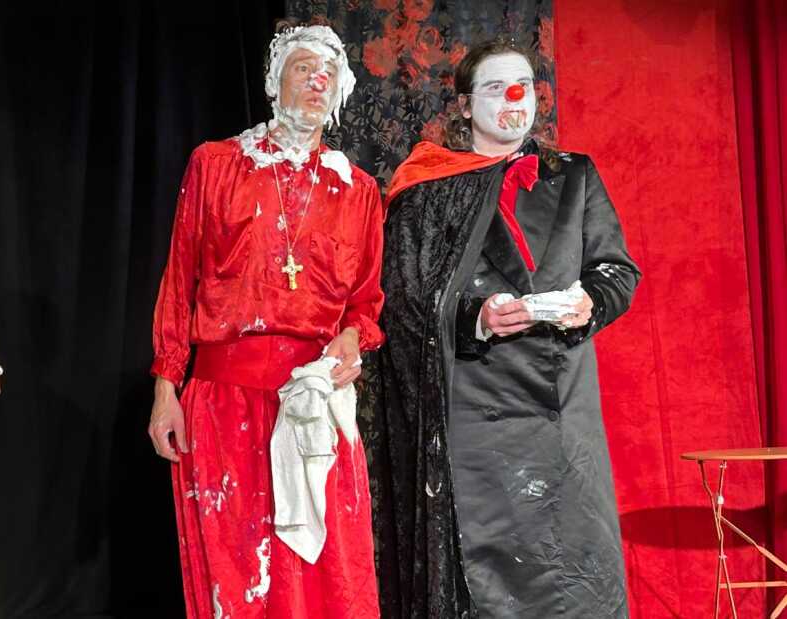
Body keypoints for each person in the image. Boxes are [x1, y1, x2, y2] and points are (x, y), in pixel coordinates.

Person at [366, 39, 640, 618]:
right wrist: (477, 319)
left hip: (560, 409)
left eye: (523, 86)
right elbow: (401, 303)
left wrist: (589, 301)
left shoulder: (575, 175)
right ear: (465, 106)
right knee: (490, 585)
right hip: (475, 415)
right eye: (495, 88)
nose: (515, 99)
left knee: (573, 581)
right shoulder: (428, 189)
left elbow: (618, 271)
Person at [147, 23, 385, 618]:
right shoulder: (217, 164)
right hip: (226, 399)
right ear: (275, 80)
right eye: (304, 66)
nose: (318, 79)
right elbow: (180, 282)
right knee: (240, 570)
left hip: (314, 401)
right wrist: (164, 389)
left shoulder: (358, 190)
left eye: (329, 71)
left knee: (326, 574)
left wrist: (355, 334)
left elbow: (365, 301)